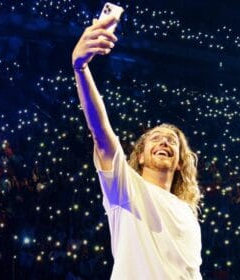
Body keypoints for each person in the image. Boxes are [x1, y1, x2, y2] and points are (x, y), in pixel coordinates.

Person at [72, 16, 202, 279]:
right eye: (155, 138)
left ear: (179, 162)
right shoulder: (126, 188)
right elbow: (101, 134)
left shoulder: (188, 212)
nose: (164, 141)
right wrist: (81, 69)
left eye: (172, 141)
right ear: (140, 156)